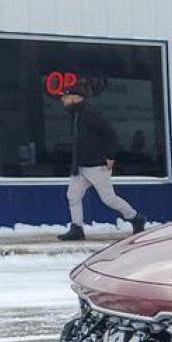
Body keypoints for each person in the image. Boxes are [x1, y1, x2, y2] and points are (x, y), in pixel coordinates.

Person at [56, 87, 146, 242]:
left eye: (65, 97)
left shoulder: (90, 113)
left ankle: (135, 217)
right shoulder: (76, 114)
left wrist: (110, 156)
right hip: (81, 166)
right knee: (73, 195)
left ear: (75, 97)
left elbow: (109, 133)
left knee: (108, 198)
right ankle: (77, 228)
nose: (62, 100)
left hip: (96, 165)